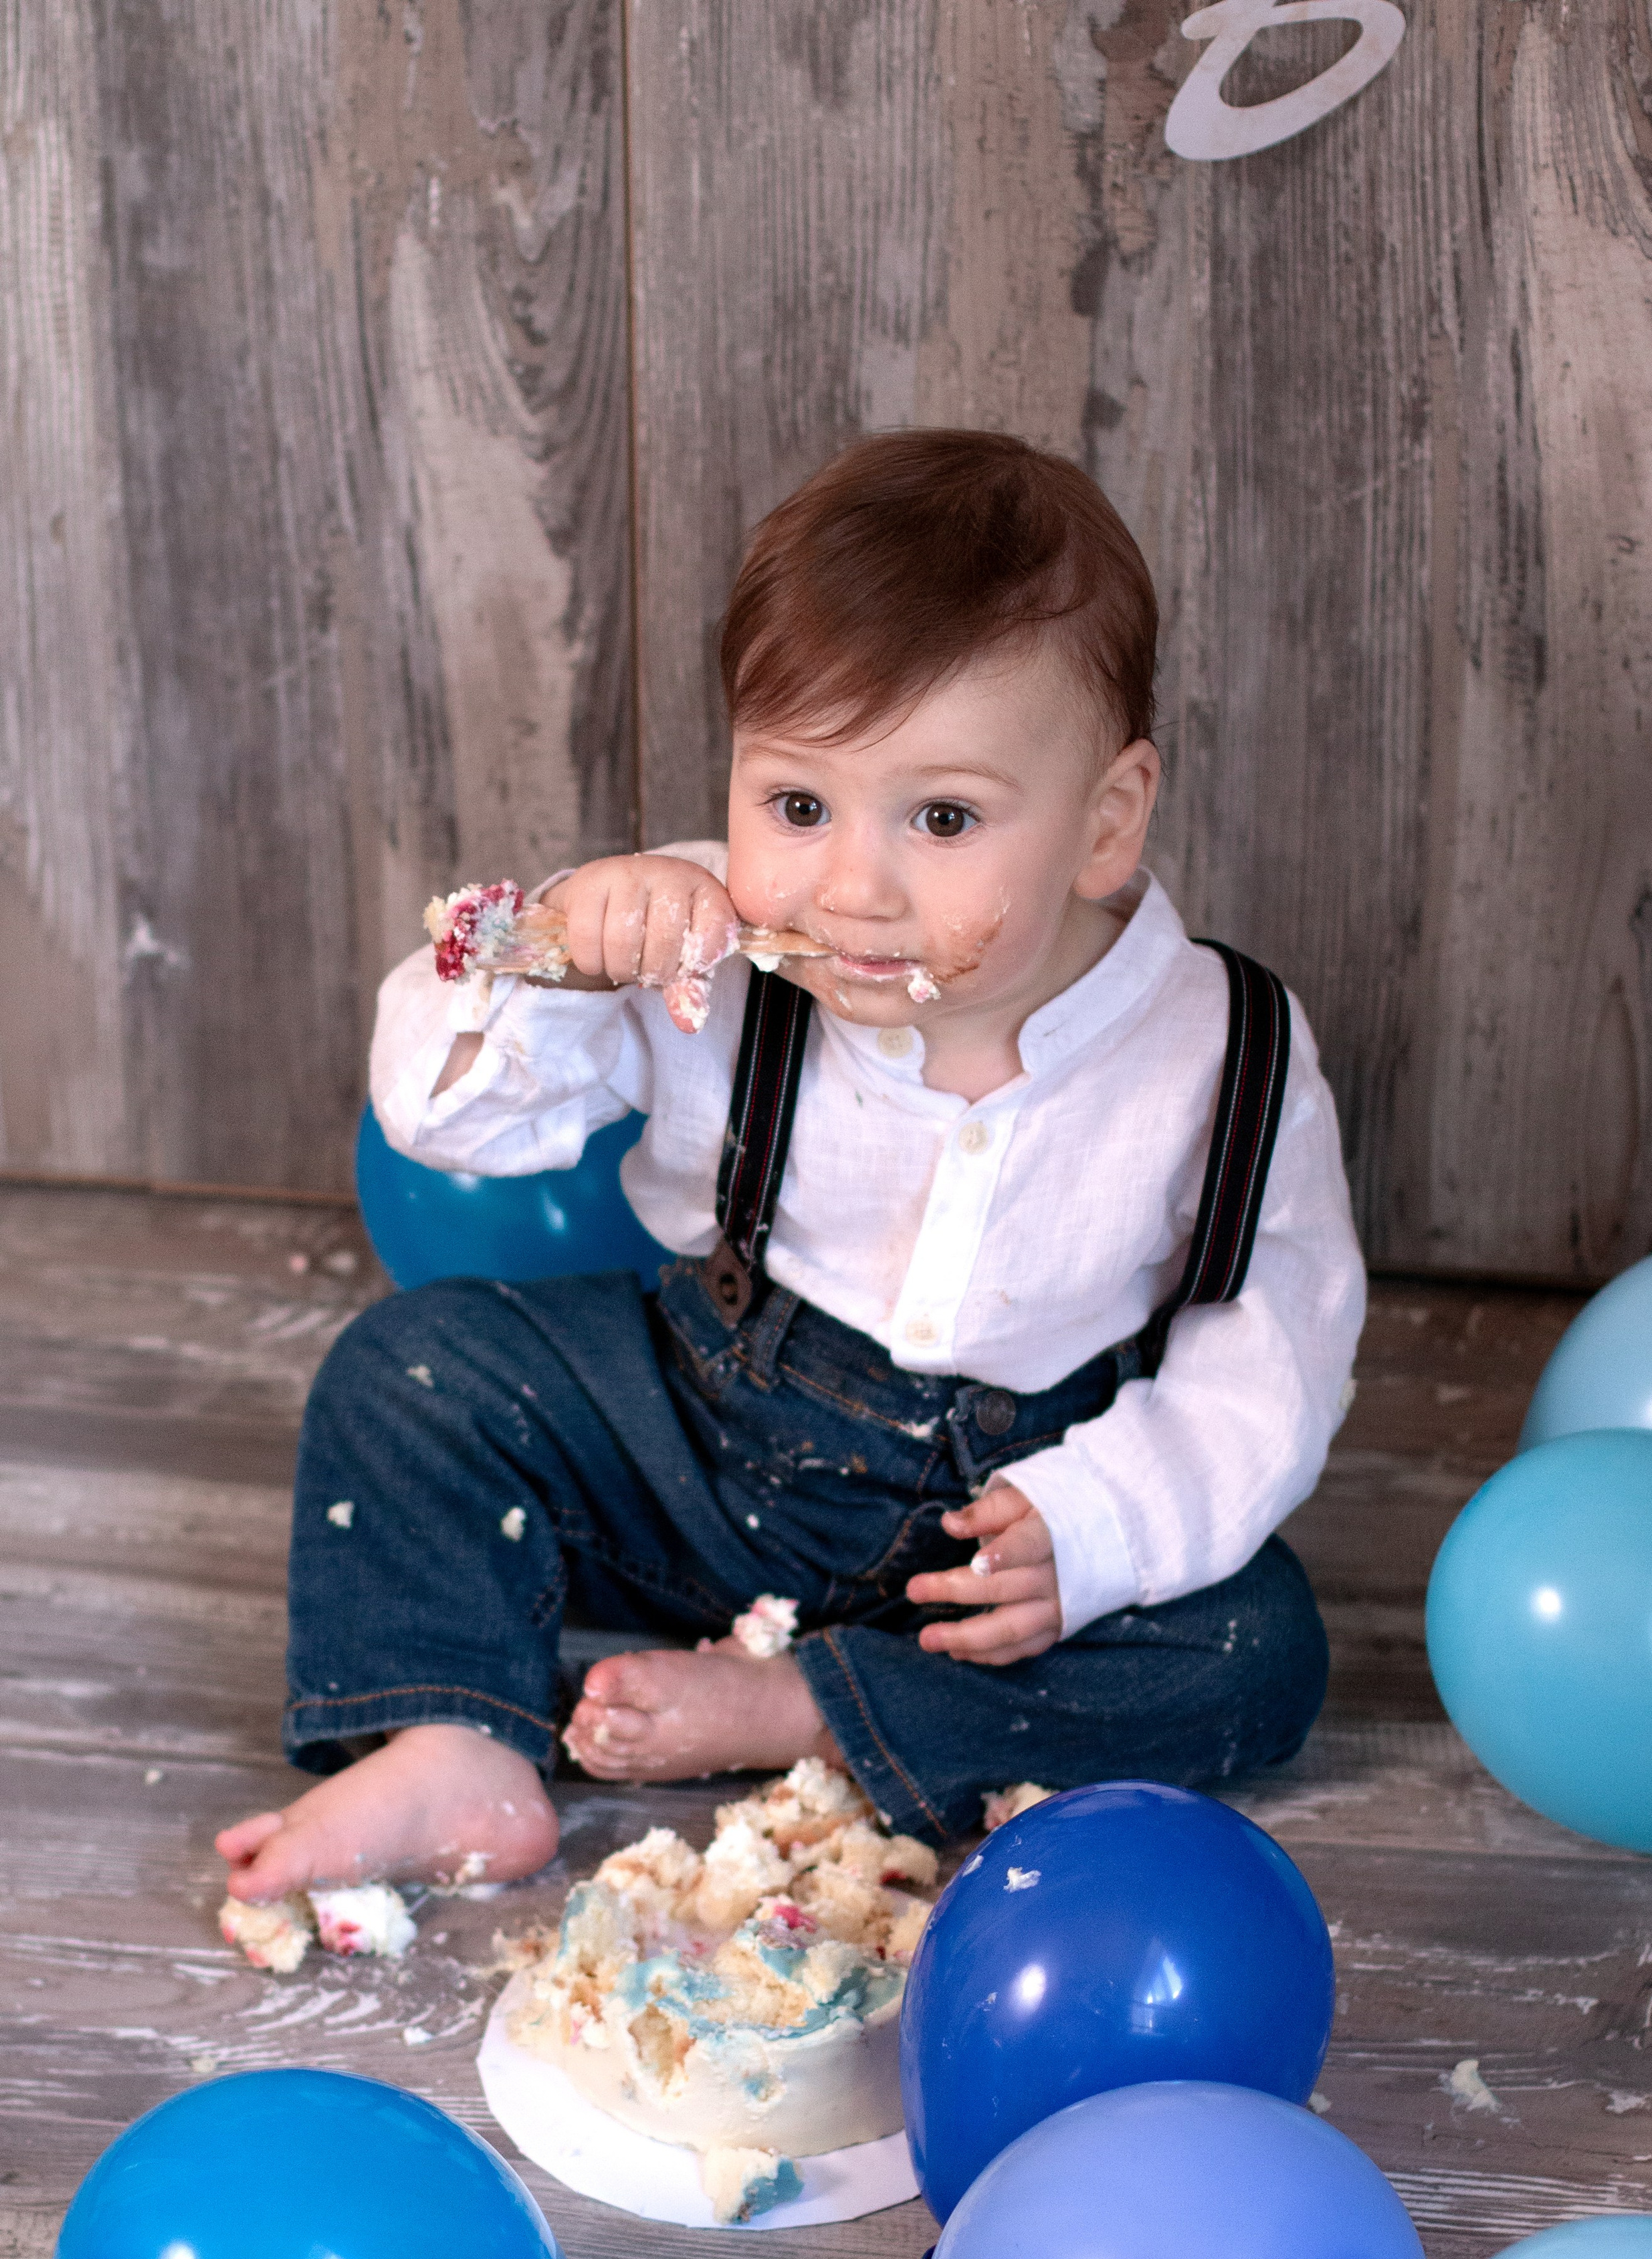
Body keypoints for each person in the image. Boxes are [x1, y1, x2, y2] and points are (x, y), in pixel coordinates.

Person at [217, 429, 1364, 1905]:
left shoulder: (1227, 1048)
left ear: (1104, 821)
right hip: (700, 1456)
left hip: (983, 1555)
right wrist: (553, 944)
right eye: (797, 806)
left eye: (940, 819)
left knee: (1255, 1648)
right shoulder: (699, 950)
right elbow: (446, 1119)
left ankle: (814, 1708)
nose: (852, 888)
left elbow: (1270, 1347)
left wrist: (1095, 1531)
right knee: (414, 1371)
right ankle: (453, 1734)